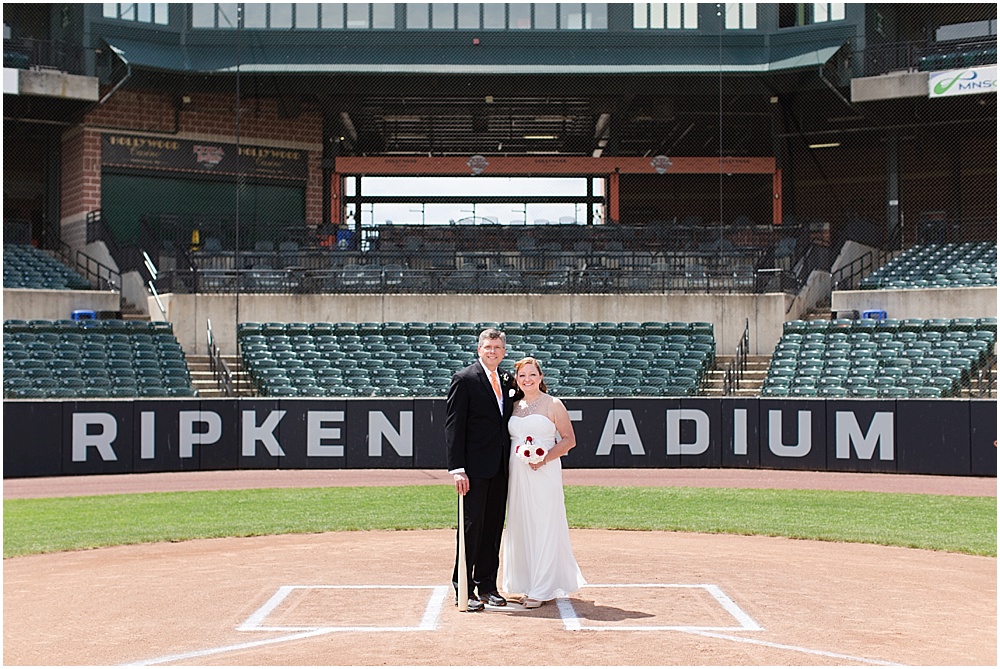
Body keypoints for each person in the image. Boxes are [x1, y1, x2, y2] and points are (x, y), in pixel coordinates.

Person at [502, 357, 586, 609]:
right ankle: (527, 583)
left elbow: (569, 440)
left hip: (544, 472)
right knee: (521, 524)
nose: (527, 379)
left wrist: (544, 457)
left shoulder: (553, 404)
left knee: (545, 524)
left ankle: (543, 587)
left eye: (532, 374)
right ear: (517, 379)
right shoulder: (514, 405)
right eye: (522, 376)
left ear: (541, 377)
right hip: (517, 472)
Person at [446, 328, 516, 612]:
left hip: (500, 467)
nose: (493, 351)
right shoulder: (464, 379)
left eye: (498, 347)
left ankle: (487, 585)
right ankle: (463, 588)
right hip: (473, 469)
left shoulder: (508, 379)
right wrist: (457, 468)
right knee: (471, 528)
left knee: (492, 528)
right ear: (479, 350)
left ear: (504, 351)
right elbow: (453, 426)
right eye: (488, 347)